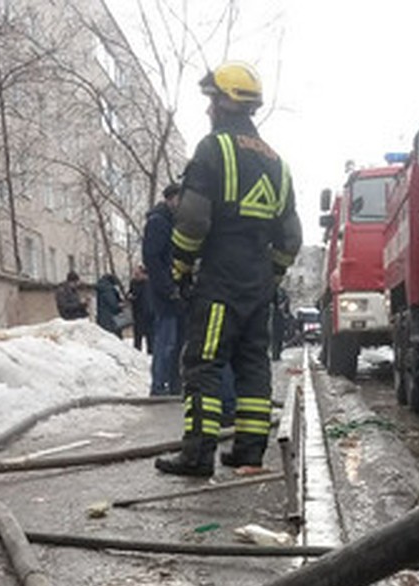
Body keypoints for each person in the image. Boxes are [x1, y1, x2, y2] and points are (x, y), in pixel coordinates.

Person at [154, 61, 302, 477]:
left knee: (203, 362)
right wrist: (269, 277)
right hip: (257, 282)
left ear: (225, 103)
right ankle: (250, 453)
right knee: (253, 363)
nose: (208, 109)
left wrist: (181, 267)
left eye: (212, 100)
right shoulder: (279, 164)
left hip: (220, 278)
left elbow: (194, 220)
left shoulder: (212, 148)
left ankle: (198, 454)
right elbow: (291, 237)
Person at [142, 182, 184, 396]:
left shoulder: (169, 221)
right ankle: (159, 386)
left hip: (173, 292)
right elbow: (152, 259)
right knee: (166, 343)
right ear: (170, 198)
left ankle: (173, 384)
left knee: (175, 343)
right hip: (164, 294)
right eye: (179, 198)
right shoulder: (158, 222)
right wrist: (168, 288)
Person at [126, 265, 152, 354]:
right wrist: (130, 297)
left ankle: (151, 352)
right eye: (135, 274)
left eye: (138, 274)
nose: (136, 276)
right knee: (138, 335)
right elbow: (130, 293)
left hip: (149, 312)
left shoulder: (150, 283)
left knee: (150, 334)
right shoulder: (133, 283)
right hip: (137, 311)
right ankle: (137, 352)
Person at [95, 273, 125, 337]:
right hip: (111, 320)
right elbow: (113, 305)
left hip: (102, 319)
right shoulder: (108, 290)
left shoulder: (101, 288)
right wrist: (121, 305)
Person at [270, 285, 291, 360]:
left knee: (279, 336)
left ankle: (277, 354)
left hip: (280, 316)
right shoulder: (272, 289)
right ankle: (275, 354)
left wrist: (285, 310)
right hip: (274, 316)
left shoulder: (282, 291)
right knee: (275, 337)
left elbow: (287, 301)